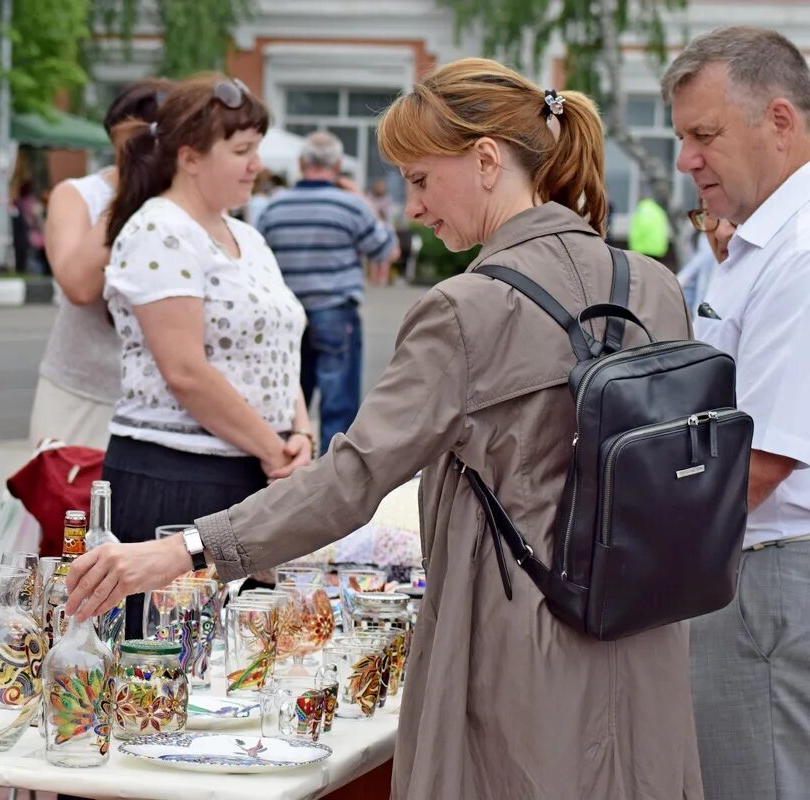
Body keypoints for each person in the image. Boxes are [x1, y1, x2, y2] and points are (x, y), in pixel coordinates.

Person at [66, 58, 703, 799]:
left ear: (487, 160)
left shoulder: (469, 309)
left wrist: (185, 551)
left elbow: (353, 477)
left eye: (422, 178)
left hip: (518, 642)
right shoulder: (652, 284)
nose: (412, 208)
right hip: (646, 632)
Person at [101, 74, 314, 636]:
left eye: (256, 150)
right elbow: (186, 371)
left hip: (252, 471)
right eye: (241, 151)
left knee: (239, 662)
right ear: (190, 157)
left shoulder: (249, 236)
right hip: (180, 474)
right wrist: (275, 451)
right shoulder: (160, 230)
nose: (255, 165)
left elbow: (278, 346)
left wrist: (300, 437)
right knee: (164, 666)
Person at [663, 25, 810, 800]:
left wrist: (634, 549)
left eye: (704, 134)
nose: (687, 158)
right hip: (752, 568)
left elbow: (760, 459)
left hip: (767, 575)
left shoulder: (800, 252)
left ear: (780, 121)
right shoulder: (765, 245)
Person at [28, 80, 172, 450]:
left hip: (166, 401)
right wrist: (131, 189)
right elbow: (78, 285)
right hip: (82, 391)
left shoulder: (187, 199)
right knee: (64, 505)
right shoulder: (81, 195)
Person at [256, 131, 397, 452]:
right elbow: (387, 251)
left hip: (285, 317)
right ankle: (331, 481)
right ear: (336, 165)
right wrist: (363, 199)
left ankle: (287, 469)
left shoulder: (274, 207)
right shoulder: (350, 206)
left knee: (288, 406)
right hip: (335, 312)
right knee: (338, 407)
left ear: (301, 163)